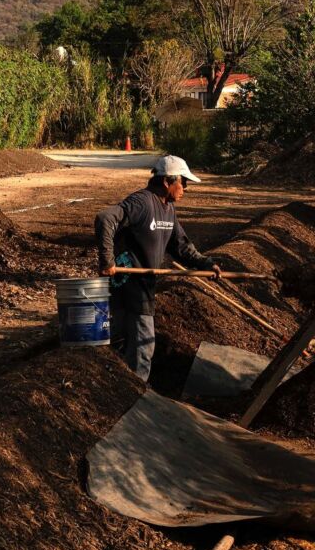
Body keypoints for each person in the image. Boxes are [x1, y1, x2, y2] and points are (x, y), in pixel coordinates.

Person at [94, 154, 221, 382]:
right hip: (128, 283)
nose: (185, 188)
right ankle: (135, 393)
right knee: (143, 346)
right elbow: (105, 218)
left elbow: (181, 246)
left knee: (123, 343)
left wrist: (207, 263)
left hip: (143, 285)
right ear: (166, 181)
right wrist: (107, 261)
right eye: (183, 182)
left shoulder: (168, 210)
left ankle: (117, 388)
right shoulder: (142, 202)